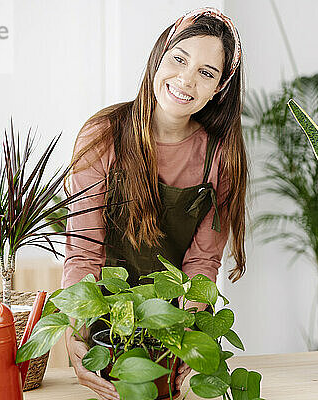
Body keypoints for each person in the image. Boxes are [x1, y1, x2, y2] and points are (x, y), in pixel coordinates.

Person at [62, 7, 247, 400]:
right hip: (107, 328)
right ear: (158, 57)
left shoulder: (219, 155)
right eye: (179, 59)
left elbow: (202, 263)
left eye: (206, 72)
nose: (186, 79)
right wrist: (76, 334)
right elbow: (84, 252)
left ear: (219, 88)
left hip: (173, 327)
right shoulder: (103, 135)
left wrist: (190, 340)